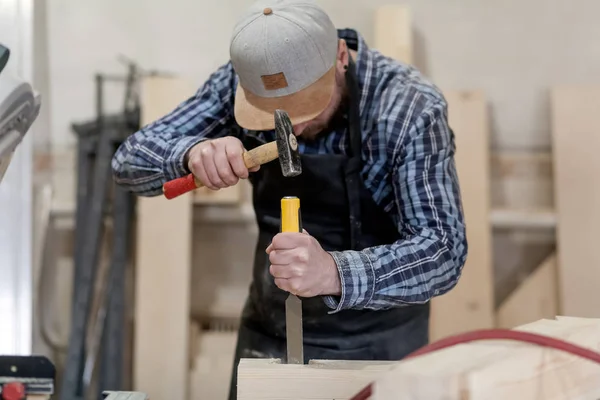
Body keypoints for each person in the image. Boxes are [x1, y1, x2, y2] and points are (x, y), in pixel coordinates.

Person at [111, 1, 468, 398]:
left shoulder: (407, 108)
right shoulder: (238, 84)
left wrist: (334, 273)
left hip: (381, 342)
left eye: (306, 105)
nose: (292, 126)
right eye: (271, 112)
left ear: (339, 57)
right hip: (270, 331)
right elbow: (128, 162)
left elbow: (443, 250)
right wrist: (190, 153)